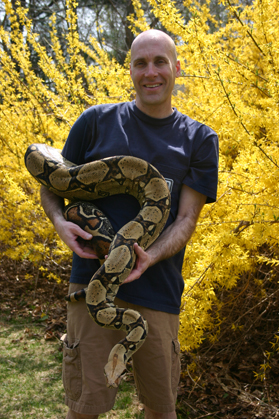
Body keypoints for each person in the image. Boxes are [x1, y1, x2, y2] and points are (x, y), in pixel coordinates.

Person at [40, 29, 219, 419]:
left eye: (160, 62)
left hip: (158, 290)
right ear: (131, 69)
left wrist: (148, 257)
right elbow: (52, 182)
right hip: (91, 285)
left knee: (161, 410)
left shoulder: (200, 139)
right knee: (85, 408)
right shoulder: (95, 122)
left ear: (176, 68)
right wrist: (58, 220)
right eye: (141, 63)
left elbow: (187, 217)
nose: (150, 72)